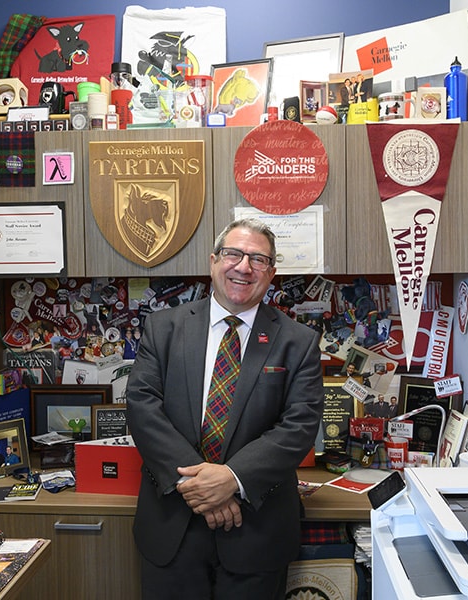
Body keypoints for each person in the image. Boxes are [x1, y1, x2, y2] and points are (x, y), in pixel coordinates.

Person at [127, 218, 323, 599]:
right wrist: (199, 485)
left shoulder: (298, 342)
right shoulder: (163, 328)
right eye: (233, 254)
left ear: (272, 273)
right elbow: (142, 407)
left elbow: (298, 427)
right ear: (214, 261)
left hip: (256, 530)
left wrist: (232, 478)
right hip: (172, 526)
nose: (243, 267)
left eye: (258, 259)